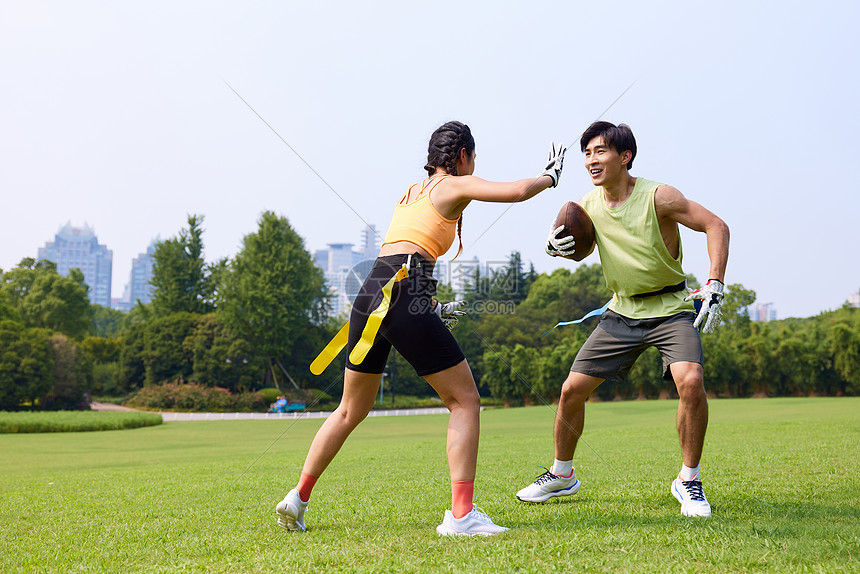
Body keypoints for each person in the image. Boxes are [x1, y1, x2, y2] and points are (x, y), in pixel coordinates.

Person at [277, 121, 567, 536]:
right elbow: (516, 192)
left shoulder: (410, 193)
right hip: (400, 291)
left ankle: (297, 498)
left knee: (348, 409)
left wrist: (427, 305)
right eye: (473, 158)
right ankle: (462, 516)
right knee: (465, 400)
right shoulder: (449, 186)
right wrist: (550, 177)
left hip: (372, 290)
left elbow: (403, 254)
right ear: (463, 155)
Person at [516, 121, 729, 518]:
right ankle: (562, 474)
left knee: (692, 380)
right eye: (587, 153)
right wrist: (555, 248)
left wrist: (714, 283)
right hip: (621, 311)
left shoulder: (658, 196)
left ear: (624, 157)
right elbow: (578, 248)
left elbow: (715, 225)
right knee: (570, 390)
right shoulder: (587, 206)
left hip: (670, 309)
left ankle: (688, 480)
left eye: (600, 152)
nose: (591, 161)